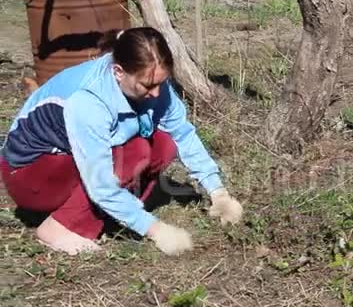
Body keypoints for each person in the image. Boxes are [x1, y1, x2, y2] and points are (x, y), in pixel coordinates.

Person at [0, 27, 243, 256]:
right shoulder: (88, 102)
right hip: (30, 175)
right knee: (136, 152)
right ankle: (60, 228)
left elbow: (182, 134)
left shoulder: (150, 81)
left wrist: (217, 191)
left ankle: (113, 210)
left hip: (70, 162)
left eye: (161, 82)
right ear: (118, 72)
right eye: (147, 85)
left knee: (163, 143)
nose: (157, 93)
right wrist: (156, 230)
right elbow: (101, 183)